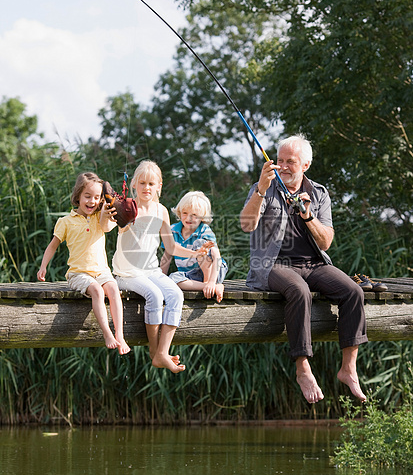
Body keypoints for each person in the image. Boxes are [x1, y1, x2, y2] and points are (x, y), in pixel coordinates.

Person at [240, 134, 368, 404]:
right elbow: (247, 225)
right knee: (300, 291)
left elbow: (326, 242)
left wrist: (307, 216)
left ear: (305, 165)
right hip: (272, 265)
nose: (283, 166)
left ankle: (348, 368)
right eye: (280, 160)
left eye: (291, 162)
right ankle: (302, 367)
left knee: (354, 291)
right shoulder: (263, 187)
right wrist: (261, 189)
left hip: (313, 264)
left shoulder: (319, 193)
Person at [112, 161, 213, 374]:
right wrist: (123, 219)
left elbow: (170, 246)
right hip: (126, 273)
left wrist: (195, 253)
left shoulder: (162, 210)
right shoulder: (128, 207)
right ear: (134, 185)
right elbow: (118, 228)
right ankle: (154, 350)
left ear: (159, 185)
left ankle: (162, 353)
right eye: (142, 183)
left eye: (151, 183)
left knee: (176, 294)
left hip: (151, 271)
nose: (146, 187)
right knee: (155, 296)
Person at [37, 172, 130, 356]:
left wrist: (110, 209)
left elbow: (111, 225)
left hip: (101, 271)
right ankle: (107, 333)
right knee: (97, 290)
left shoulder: (99, 217)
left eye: (97, 197)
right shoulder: (65, 221)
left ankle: (120, 334)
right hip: (78, 274)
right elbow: (52, 246)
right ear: (77, 196)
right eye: (87, 196)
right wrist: (43, 266)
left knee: (112, 289)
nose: (92, 201)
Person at [160, 191, 228, 303]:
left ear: (202, 217)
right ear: (179, 212)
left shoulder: (204, 230)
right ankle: (210, 287)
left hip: (213, 271)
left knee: (200, 244)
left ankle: (211, 284)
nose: (189, 218)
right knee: (172, 279)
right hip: (191, 276)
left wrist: (211, 281)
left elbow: (217, 257)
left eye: (194, 215)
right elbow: (167, 255)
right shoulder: (173, 230)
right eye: (185, 213)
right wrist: (161, 279)